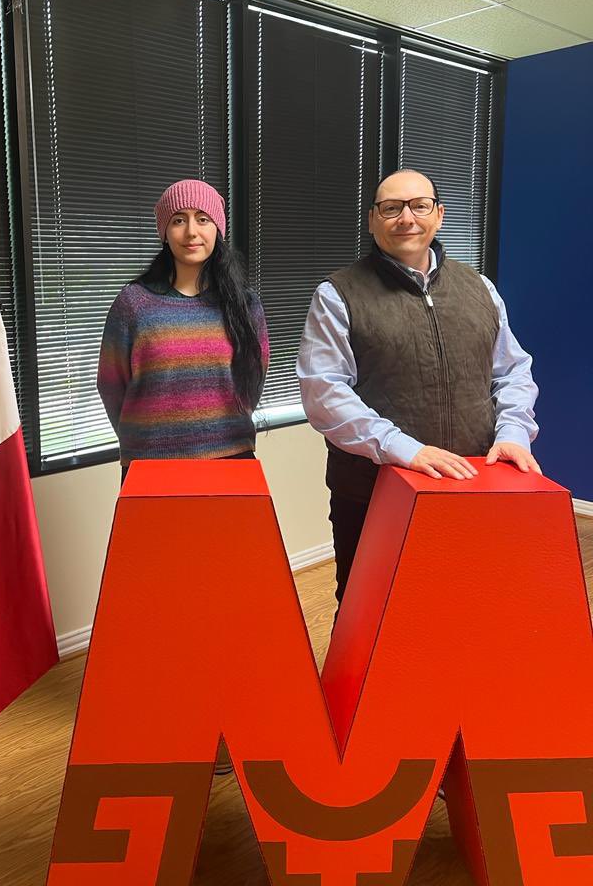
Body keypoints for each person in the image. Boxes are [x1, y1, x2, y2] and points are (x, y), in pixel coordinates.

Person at [297, 168, 539, 611]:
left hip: (472, 484)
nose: (406, 218)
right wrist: (406, 450)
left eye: (419, 206)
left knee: (466, 607)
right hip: (373, 493)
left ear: (439, 214)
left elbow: (512, 371)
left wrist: (513, 434)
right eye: (391, 208)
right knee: (370, 611)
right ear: (372, 220)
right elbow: (324, 392)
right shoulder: (337, 294)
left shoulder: (480, 288)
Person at [97, 179, 269, 480]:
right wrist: (142, 437)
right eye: (178, 220)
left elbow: (254, 377)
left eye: (203, 219)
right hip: (149, 465)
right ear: (164, 232)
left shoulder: (245, 304)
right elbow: (111, 384)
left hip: (232, 457)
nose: (191, 231)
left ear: (217, 229)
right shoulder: (133, 304)